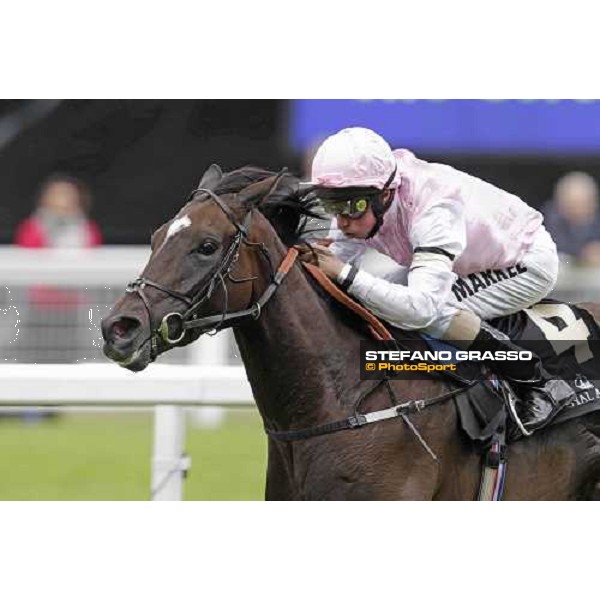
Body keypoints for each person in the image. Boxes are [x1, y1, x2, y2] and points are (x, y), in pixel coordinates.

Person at [300, 127, 574, 433]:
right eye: (332, 207)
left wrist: (343, 272)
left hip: (524, 262)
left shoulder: (433, 209)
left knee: (427, 314)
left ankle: (539, 381)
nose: (342, 221)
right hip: (469, 259)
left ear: (386, 194)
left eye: (352, 207)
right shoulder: (366, 194)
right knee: (380, 297)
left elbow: (421, 309)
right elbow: (333, 266)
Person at [14, 174, 102, 248]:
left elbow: (95, 253)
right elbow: (26, 253)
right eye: (57, 193)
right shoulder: (33, 226)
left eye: (68, 193)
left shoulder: (88, 227)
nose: (64, 198)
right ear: (45, 198)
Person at [542, 171, 600, 267]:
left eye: (583, 203)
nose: (577, 210)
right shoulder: (546, 223)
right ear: (560, 204)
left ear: (593, 203)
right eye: (572, 204)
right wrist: (582, 256)